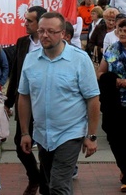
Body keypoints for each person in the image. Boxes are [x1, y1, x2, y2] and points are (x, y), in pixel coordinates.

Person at [18, 12, 100, 195]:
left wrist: (92, 136)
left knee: (59, 184)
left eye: (51, 31)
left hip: (70, 132)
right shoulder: (31, 59)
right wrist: (25, 132)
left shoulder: (80, 59)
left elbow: (93, 99)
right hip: (42, 134)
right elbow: (24, 96)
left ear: (63, 34)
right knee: (47, 185)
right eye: (41, 31)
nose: (44, 35)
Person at [4, 6, 47, 195]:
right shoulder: (22, 43)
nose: (25, 24)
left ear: (40, 22)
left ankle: (45, 184)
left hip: (46, 103)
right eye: (26, 20)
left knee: (47, 146)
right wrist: (8, 101)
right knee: (20, 143)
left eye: (29, 20)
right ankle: (34, 176)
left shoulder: (50, 43)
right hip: (25, 102)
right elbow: (16, 73)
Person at [96, 19, 126, 192]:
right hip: (114, 102)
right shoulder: (112, 50)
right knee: (116, 140)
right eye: (119, 30)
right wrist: (116, 81)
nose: (121, 33)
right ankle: (125, 169)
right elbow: (100, 73)